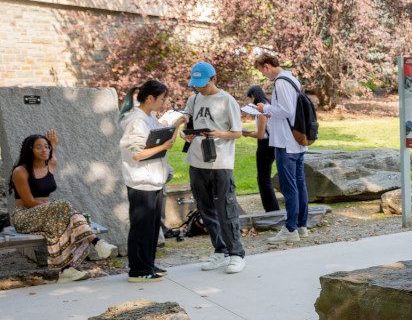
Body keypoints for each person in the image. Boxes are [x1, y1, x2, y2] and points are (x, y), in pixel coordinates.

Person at [8, 131, 116, 282]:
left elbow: (51, 154)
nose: (44, 150)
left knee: (67, 219)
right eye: (39, 147)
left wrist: (53, 144)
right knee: (63, 206)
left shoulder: (51, 164)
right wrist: (53, 207)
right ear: (29, 149)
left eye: (46, 147)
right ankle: (96, 242)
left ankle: (66, 270)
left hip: (46, 214)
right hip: (25, 216)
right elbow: (29, 202)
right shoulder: (20, 171)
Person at [119, 80, 185, 282]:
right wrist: (163, 146)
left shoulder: (150, 117)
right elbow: (138, 154)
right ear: (150, 98)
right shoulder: (136, 121)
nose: (164, 103)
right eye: (162, 99)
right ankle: (138, 270)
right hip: (142, 181)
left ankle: (147, 263)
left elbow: (160, 138)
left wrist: (174, 128)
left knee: (152, 226)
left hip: (155, 179)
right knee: (141, 226)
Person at [184, 61, 246, 274]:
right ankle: (220, 250)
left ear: (213, 79)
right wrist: (186, 133)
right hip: (196, 160)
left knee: (226, 209)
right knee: (205, 208)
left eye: (203, 83)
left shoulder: (227, 100)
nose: (199, 88)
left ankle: (236, 253)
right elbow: (187, 122)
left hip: (220, 161)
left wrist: (219, 134)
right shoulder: (194, 98)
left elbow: (238, 132)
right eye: (196, 84)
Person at [253, 54, 309, 244]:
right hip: (297, 140)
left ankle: (291, 227)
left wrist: (265, 108)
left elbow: (285, 110)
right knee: (299, 184)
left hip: (286, 141)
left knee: (289, 186)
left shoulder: (281, 82)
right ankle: (302, 225)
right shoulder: (292, 79)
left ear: (267, 66)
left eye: (262, 71)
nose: (263, 75)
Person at [244, 85, 280, 213]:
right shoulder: (269, 104)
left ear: (253, 96)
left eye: (249, 98)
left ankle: (271, 209)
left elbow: (260, 134)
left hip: (265, 145)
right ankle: (272, 208)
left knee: (263, 178)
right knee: (265, 177)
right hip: (274, 143)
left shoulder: (261, 110)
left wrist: (246, 133)